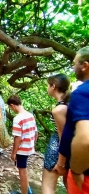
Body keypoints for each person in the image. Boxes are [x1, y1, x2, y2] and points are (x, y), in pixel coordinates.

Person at [56, 47, 89, 193]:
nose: (73, 66)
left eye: (75, 63)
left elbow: (84, 139)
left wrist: (76, 170)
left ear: (85, 66)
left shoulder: (82, 93)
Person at [42, 74, 70, 193]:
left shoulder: (59, 110)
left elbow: (63, 137)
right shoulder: (71, 104)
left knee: (47, 186)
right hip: (73, 151)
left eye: (48, 85)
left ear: (53, 86)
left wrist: (60, 163)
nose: (47, 88)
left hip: (58, 151)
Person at [7, 95, 38, 194]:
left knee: (22, 173)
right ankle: (27, 190)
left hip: (22, 150)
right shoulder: (30, 115)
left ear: (13, 105)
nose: (11, 110)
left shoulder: (18, 118)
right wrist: (33, 144)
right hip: (29, 147)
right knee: (23, 170)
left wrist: (14, 153)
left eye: (10, 108)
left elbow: (18, 138)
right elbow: (36, 132)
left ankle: (25, 192)